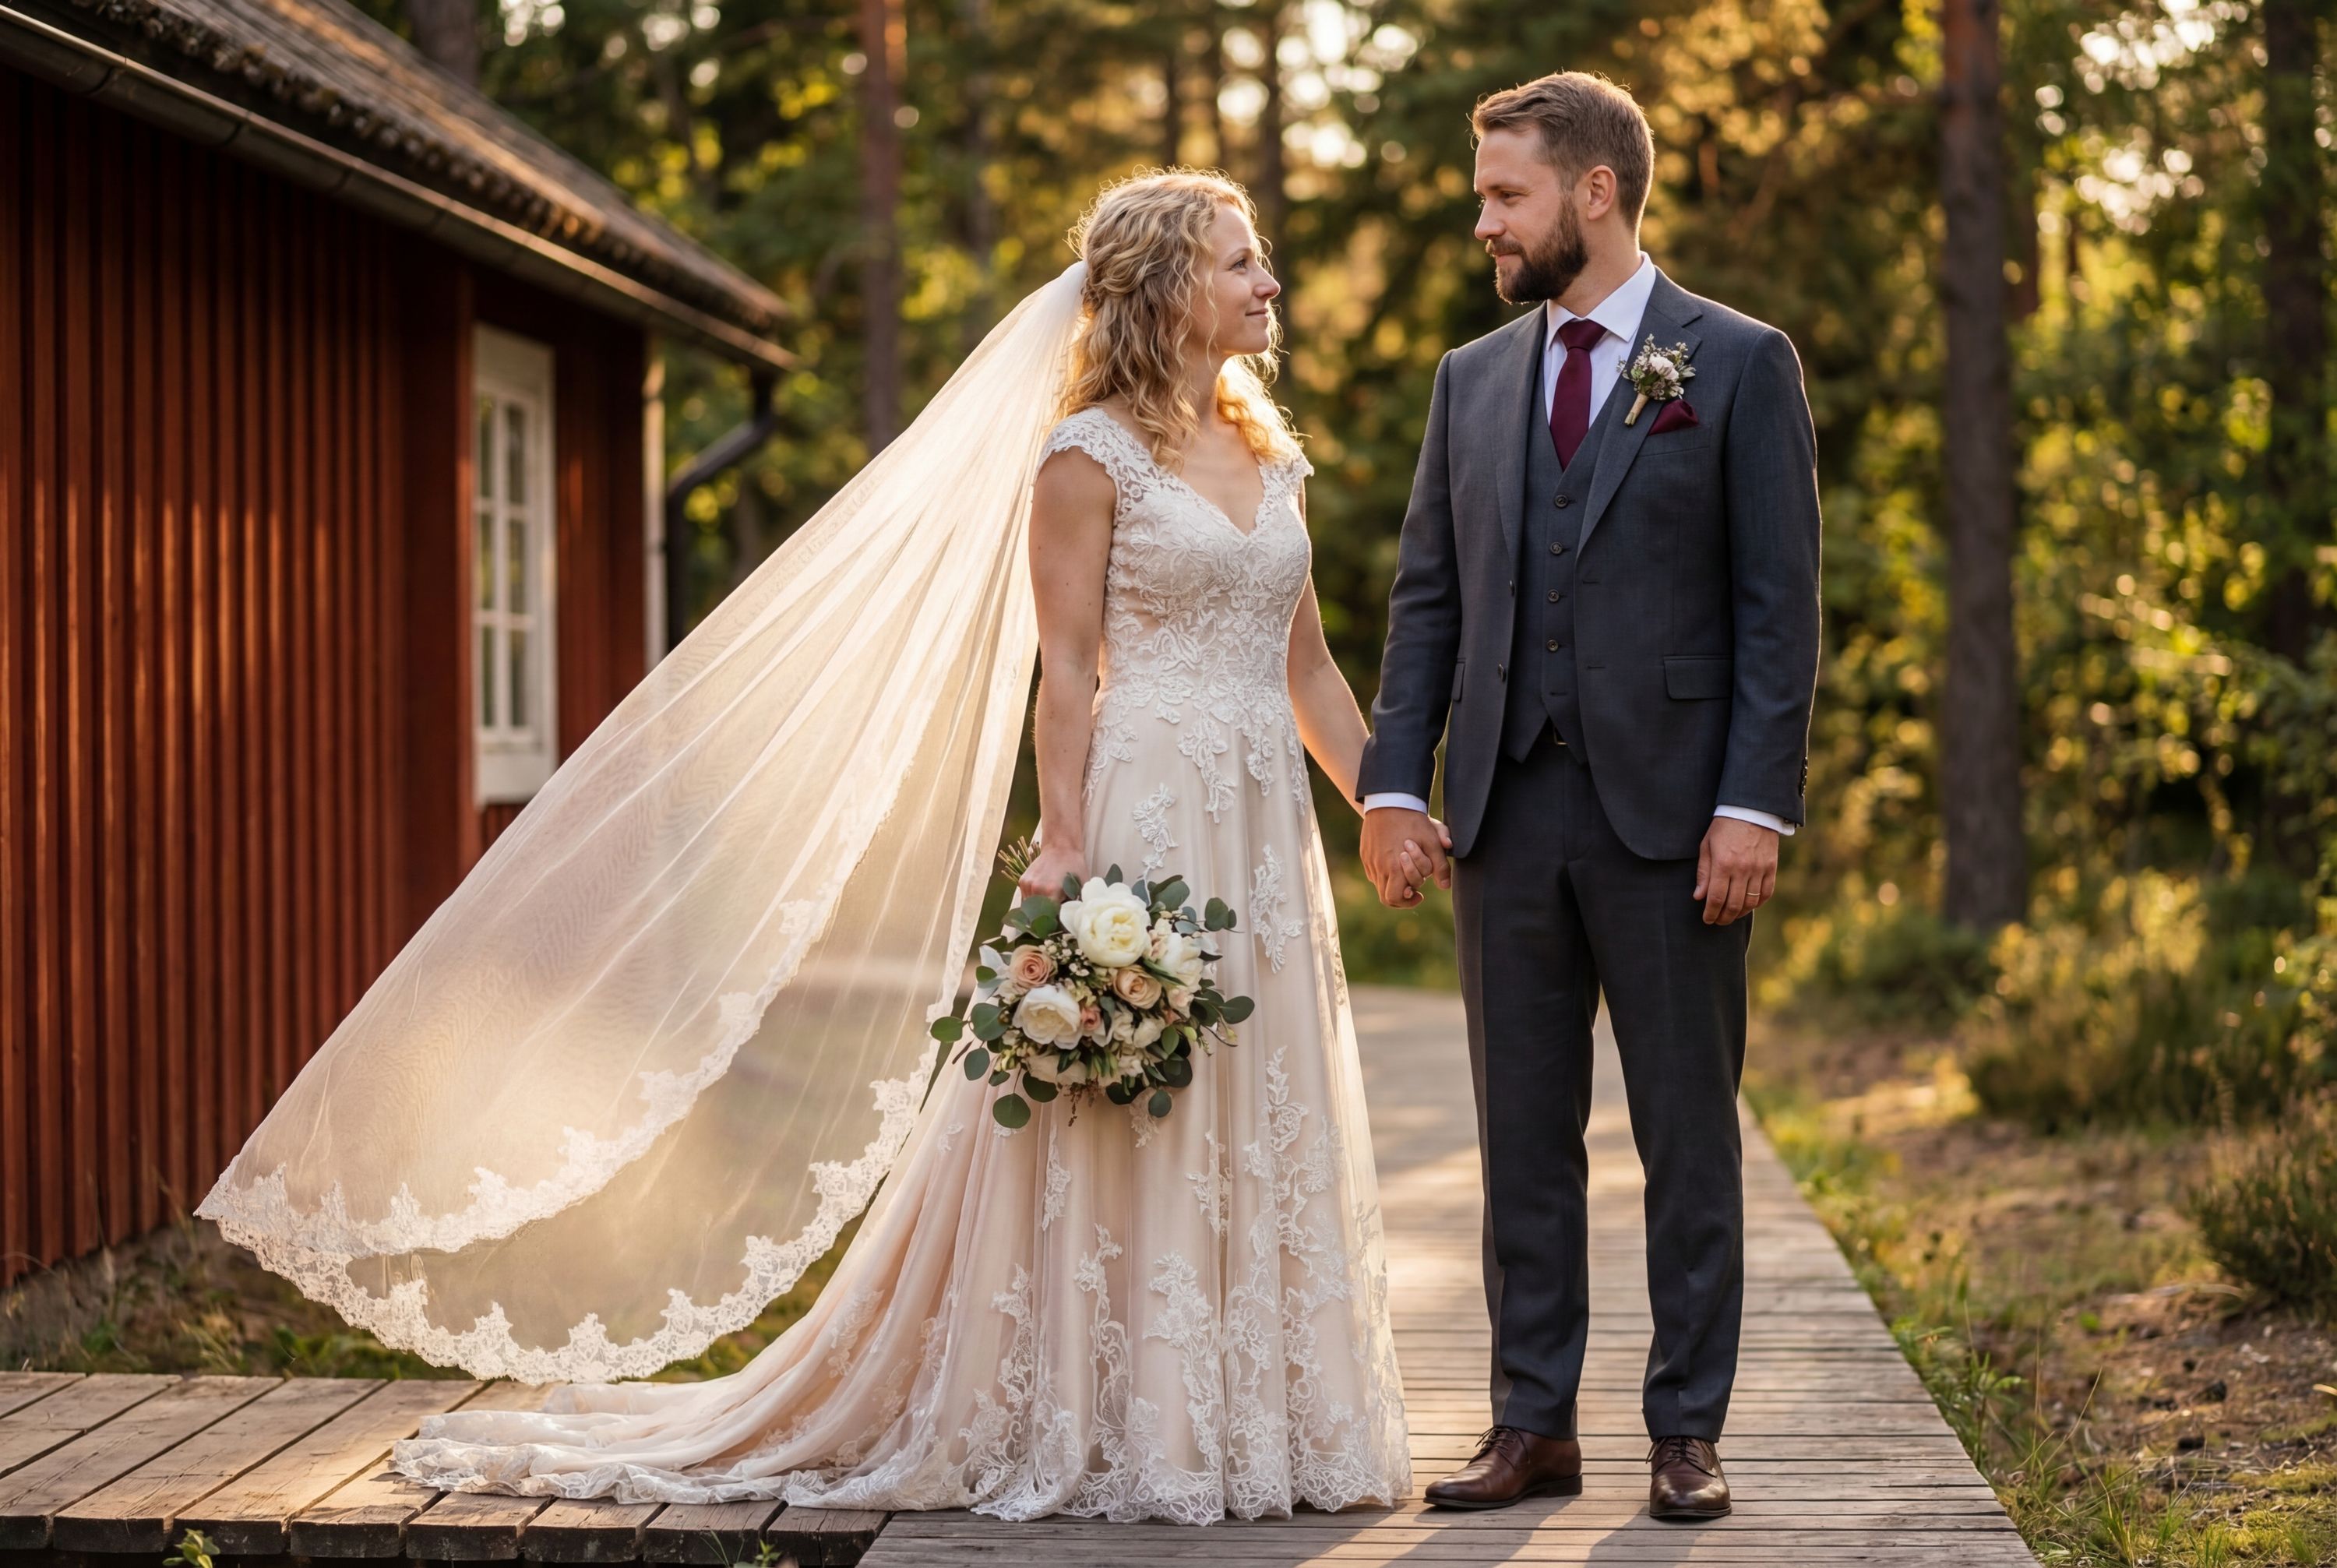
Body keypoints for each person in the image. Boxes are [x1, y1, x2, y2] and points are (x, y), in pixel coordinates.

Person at [200, 171, 1415, 1524]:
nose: (1268, 284)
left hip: (1262, 831)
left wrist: (1385, 803)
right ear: (1164, 290)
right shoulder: (1088, 456)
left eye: (1262, 264)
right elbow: (1064, 671)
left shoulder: (1272, 453)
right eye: (1241, 263)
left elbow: (1308, 668)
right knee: (1129, 1102)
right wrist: (1066, 840)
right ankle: (1117, 1411)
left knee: (1263, 1095)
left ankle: (1259, 1415)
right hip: (1149, 813)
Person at [1355, 72, 1822, 1521]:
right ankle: (1531, 1422)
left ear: (1595, 193)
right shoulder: (1472, 378)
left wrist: (1756, 803)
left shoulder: (1736, 363)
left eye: (1506, 193)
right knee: (1521, 1139)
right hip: (1504, 813)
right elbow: (1426, 597)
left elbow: (1777, 611)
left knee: (1686, 1132)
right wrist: (1389, 780)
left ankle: (1687, 1428)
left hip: (1679, 821)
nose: (1482, 219)